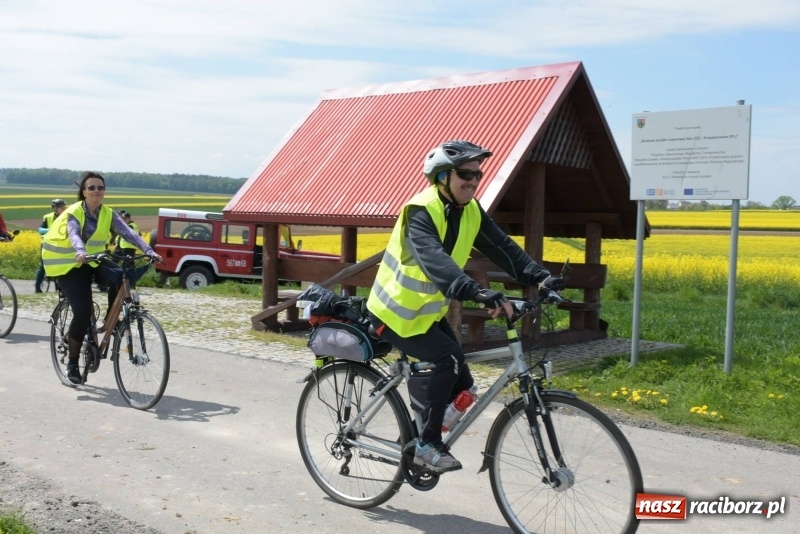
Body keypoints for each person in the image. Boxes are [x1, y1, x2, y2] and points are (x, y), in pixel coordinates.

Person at [366, 139, 564, 474]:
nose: (473, 180)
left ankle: (420, 421)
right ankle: (426, 445)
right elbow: (433, 258)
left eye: (478, 174)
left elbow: (501, 246)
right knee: (448, 359)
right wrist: (476, 291)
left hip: (425, 314)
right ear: (443, 176)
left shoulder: (470, 210)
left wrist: (539, 277)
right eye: (465, 173)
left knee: (463, 384)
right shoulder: (420, 210)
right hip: (394, 313)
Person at [42, 171, 161, 385]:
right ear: (84, 192)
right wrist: (79, 251)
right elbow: (74, 233)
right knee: (83, 310)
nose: (96, 191)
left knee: (121, 276)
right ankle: (72, 364)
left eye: (100, 187)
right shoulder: (74, 212)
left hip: (93, 259)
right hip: (68, 264)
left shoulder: (108, 213)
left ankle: (111, 321)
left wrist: (149, 250)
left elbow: (129, 234)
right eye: (92, 188)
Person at [34, 199, 67, 292]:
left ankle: (59, 288)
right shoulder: (48, 217)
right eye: (62, 207)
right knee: (43, 267)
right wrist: (52, 229)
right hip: (47, 245)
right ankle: (37, 288)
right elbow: (41, 230)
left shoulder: (66, 217)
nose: (64, 209)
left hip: (61, 245)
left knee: (61, 266)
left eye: (64, 207)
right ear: (55, 208)